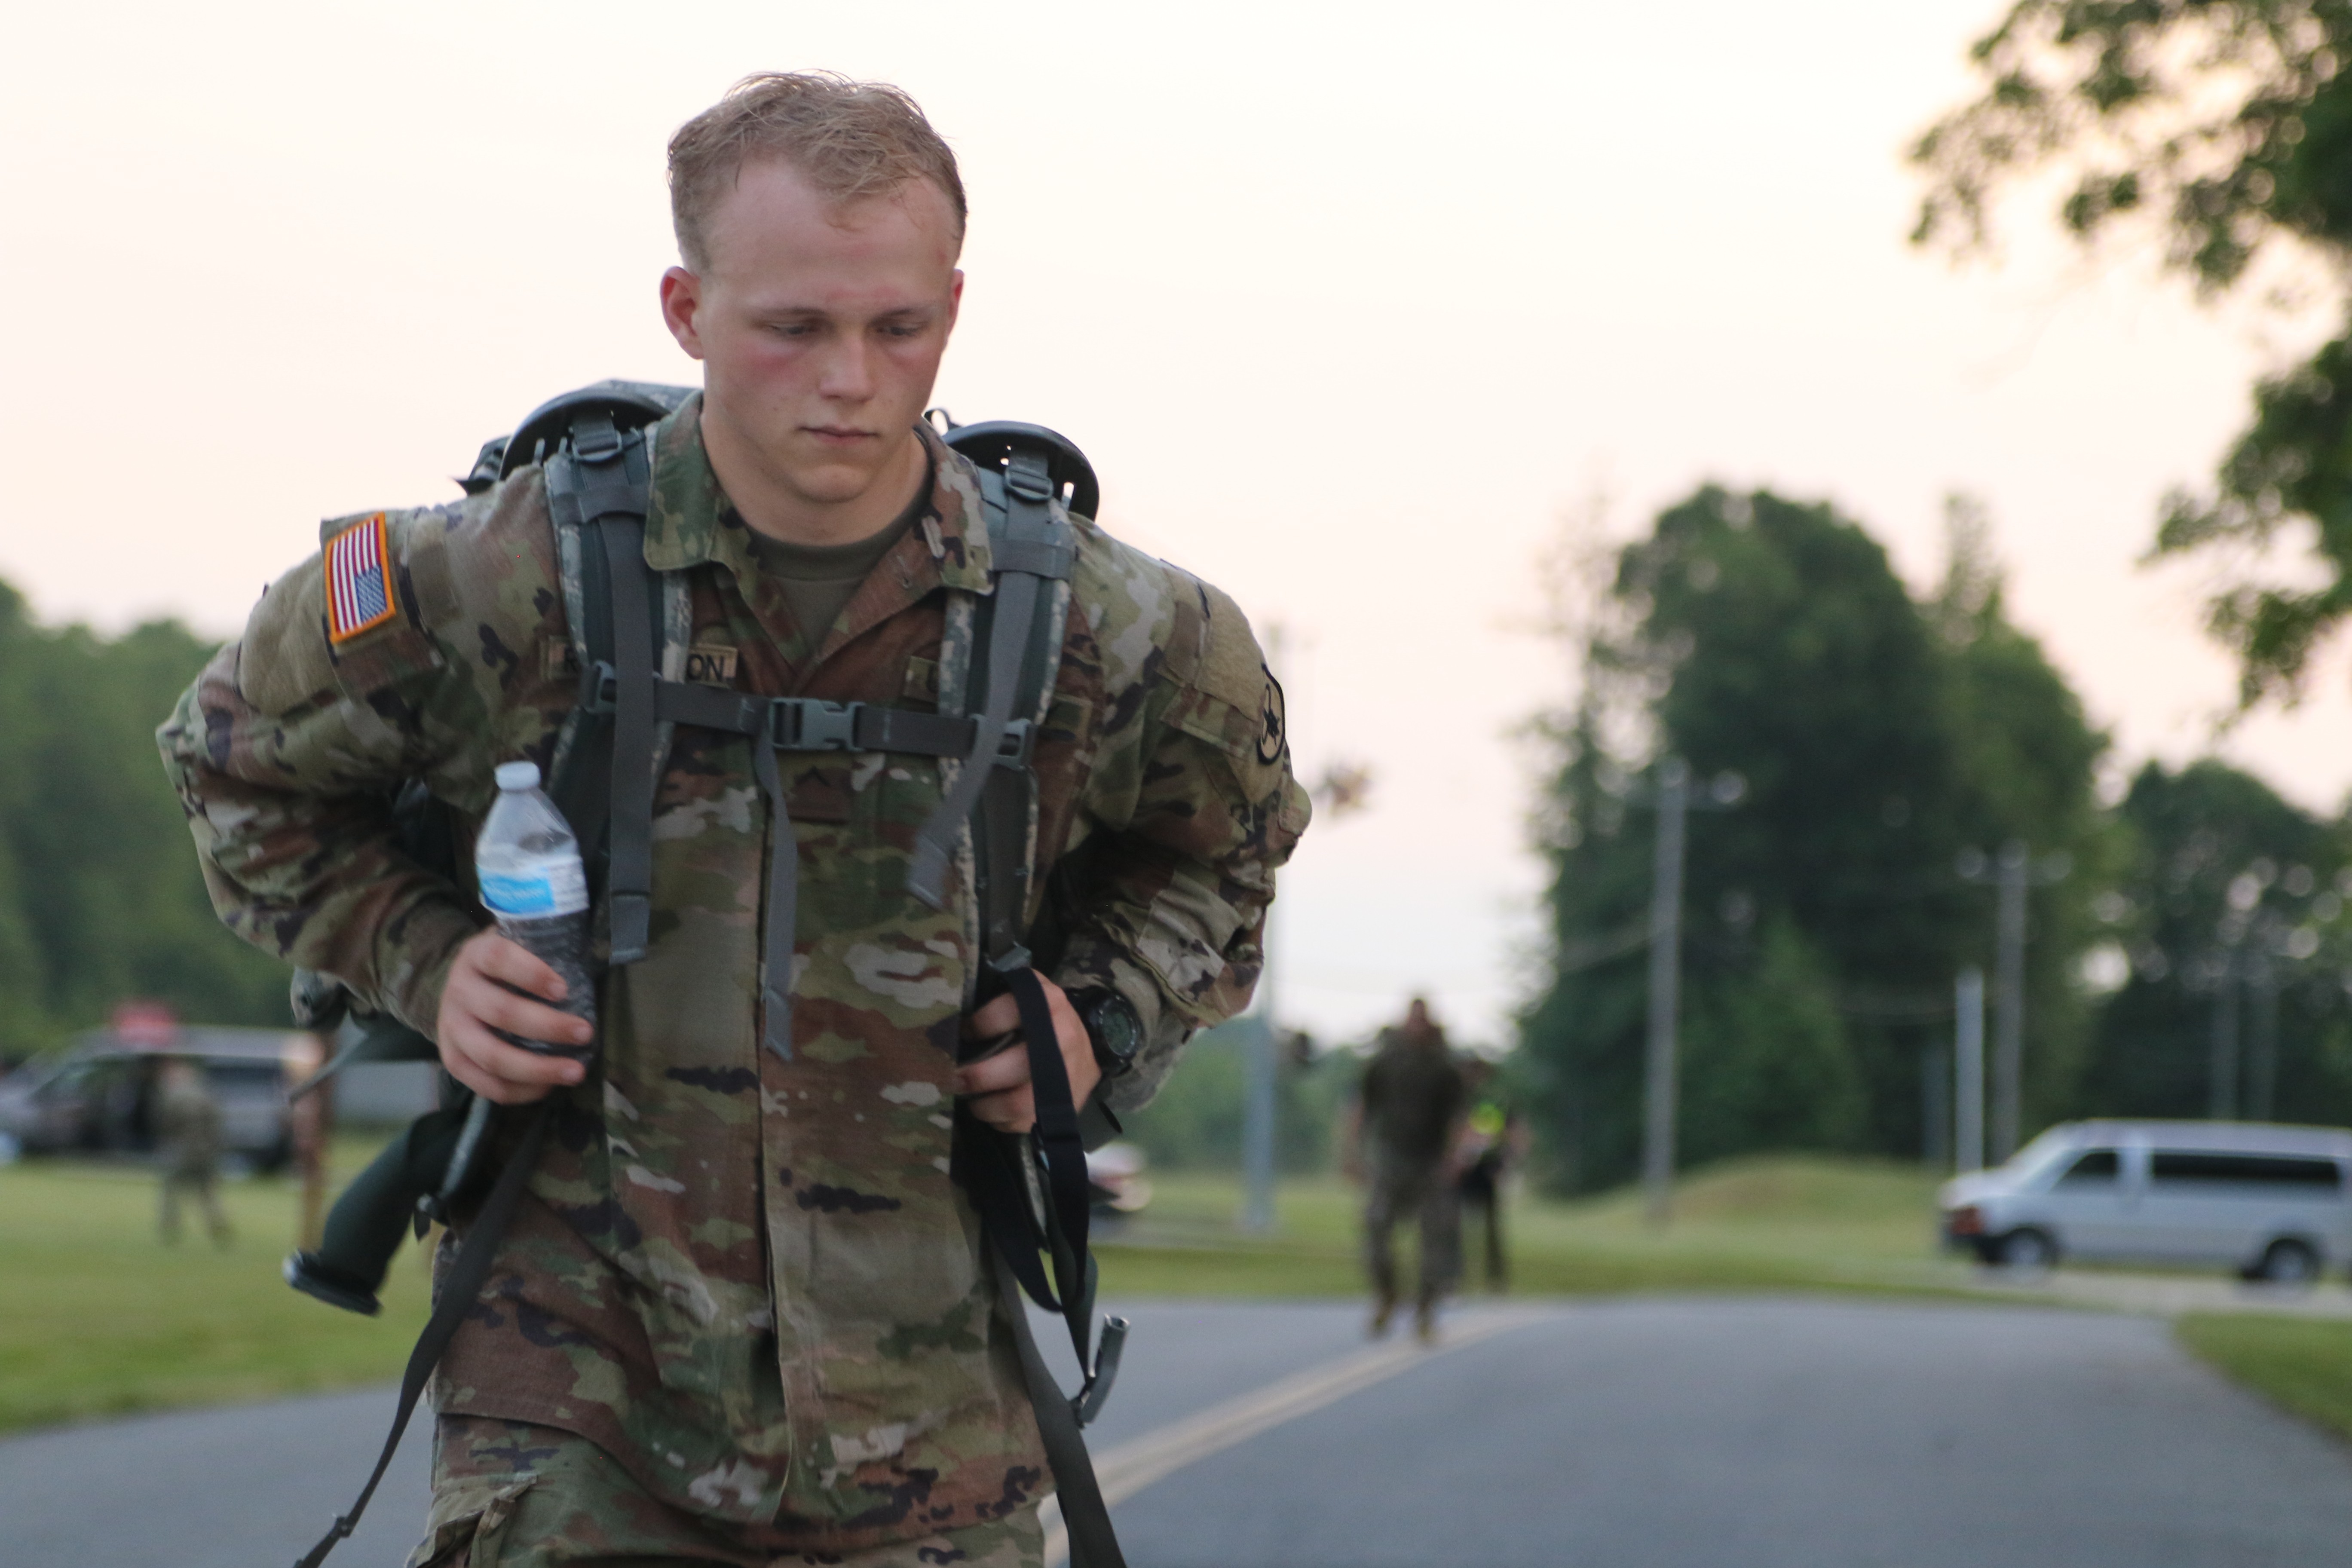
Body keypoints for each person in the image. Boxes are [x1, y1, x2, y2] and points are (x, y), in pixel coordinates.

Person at [160, 71, 1307, 1568]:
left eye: (898, 328)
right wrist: (426, 961)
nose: (850, 378)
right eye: (794, 328)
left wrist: (1103, 1009)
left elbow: (1234, 836)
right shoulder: (498, 578)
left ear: (952, 309)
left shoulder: (1107, 623)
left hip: (934, 1417)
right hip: (577, 1388)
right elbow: (231, 761)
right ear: (686, 308)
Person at [1343, 997, 1465, 1343]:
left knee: (1434, 1242)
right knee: (1376, 1228)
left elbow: (1458, 1116)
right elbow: (1361, 1107)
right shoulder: (1385, 1062)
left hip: (1430, 1163)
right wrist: (1352, 1153)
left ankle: (1426, 1311)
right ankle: (1386, 1295)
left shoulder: (1443, 1067)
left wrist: (1454, 1158)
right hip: (1390, 1159)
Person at [1452, 1058, 1526, 1292]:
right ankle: (1455, 1277)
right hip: (1460, 1167)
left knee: (1492, 1228)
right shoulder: (1455, 1097)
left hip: (1488, 1166)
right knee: (1454, 1224)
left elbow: (1513, 1131)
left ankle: (1496, 1278)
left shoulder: (1493, 1099)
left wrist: (1508, 1161)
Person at [155, 1057, 230, 1247]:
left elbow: (167, 1124)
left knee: (171, 1189)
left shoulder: (175, 1097)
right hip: (207, 1151)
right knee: (208, 1193)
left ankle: (171, 1226)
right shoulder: (207, 1096)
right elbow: (218, 1125)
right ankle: (218, 1226)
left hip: (184, 1151)